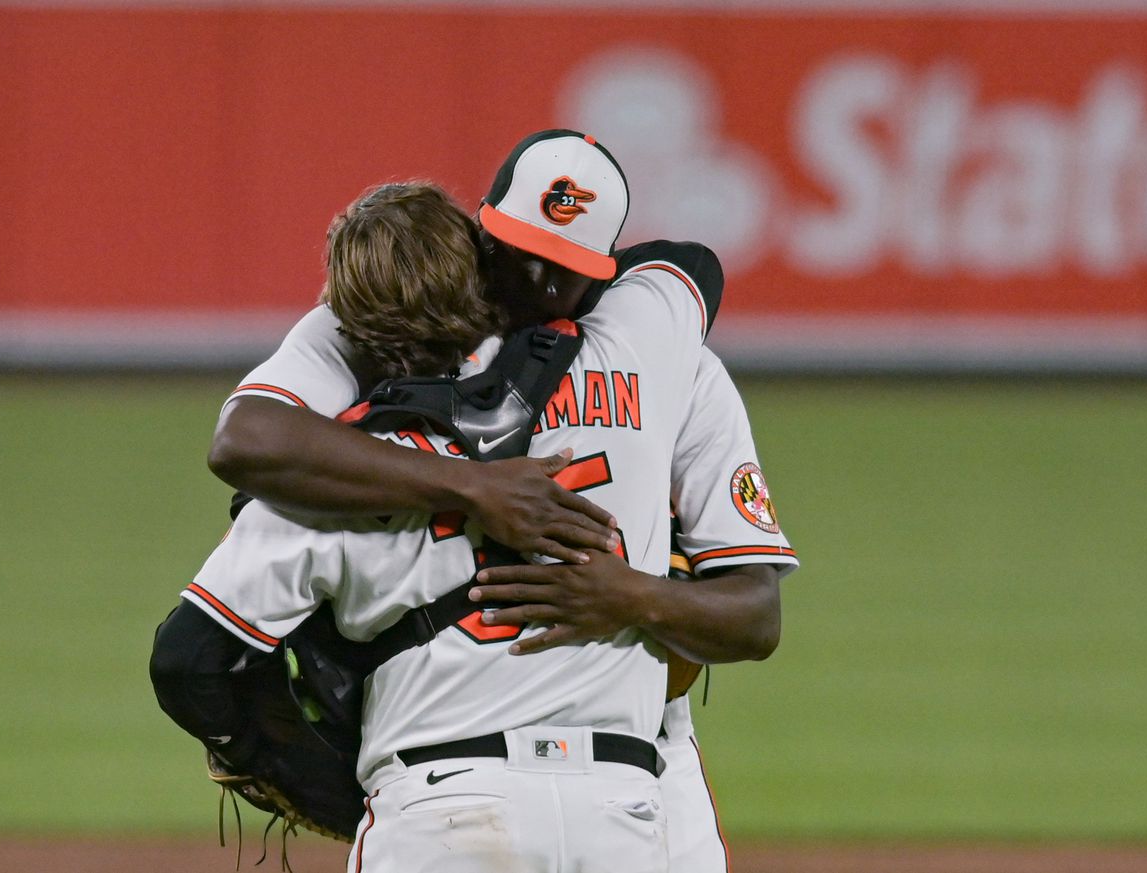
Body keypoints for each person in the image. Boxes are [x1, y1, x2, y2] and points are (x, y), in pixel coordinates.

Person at [192, 130, 797, 870]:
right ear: (480, 235)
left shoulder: (659, 353)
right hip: (587, 789)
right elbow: (243, 440)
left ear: (603, 273)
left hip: (628, 764)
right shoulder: (377, 324)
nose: (539, 276)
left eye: (565, 266)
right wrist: (475, 486)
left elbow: (756, 613)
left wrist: (635, 595)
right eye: (516, 249)